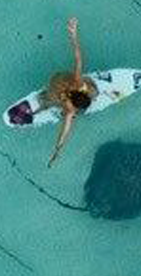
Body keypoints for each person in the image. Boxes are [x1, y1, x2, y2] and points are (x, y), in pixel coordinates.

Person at [40, 17, 98, 166]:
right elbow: (65, 131)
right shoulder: (72, 101)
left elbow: (78, 59)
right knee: (93, 90)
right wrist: (73, 34)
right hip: (59, 87)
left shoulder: (77, 87)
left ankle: (45, 101)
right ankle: (45, 102)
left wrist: (57, 151)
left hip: (56, 83)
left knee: (49, 99)